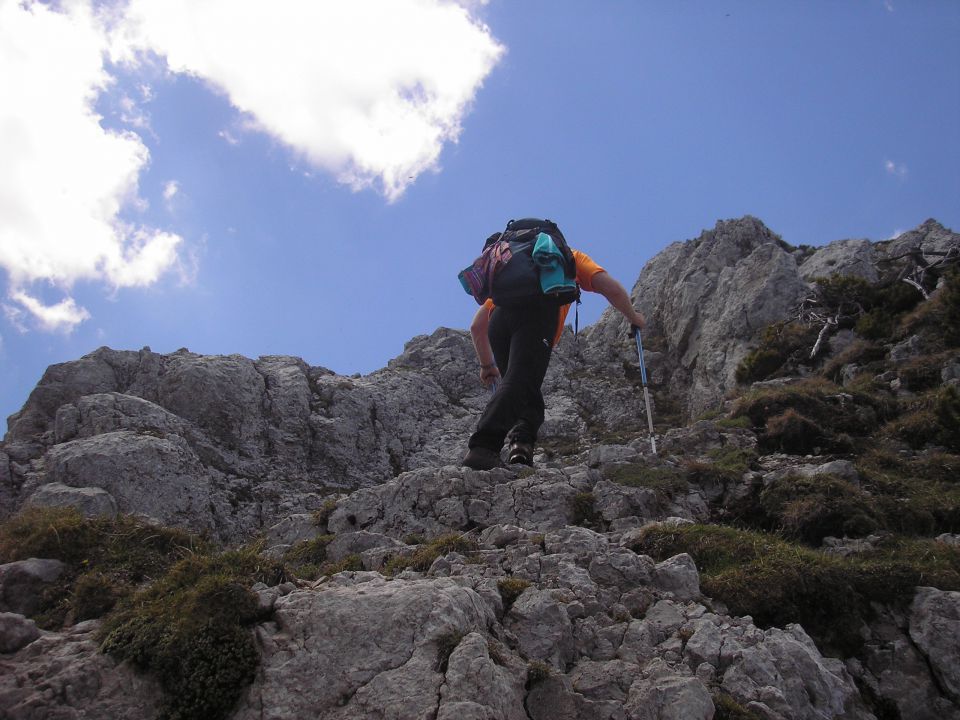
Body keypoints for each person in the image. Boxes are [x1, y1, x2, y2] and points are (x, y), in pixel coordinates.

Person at [462, 245, 646, 470]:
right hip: (536, 315)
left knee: (526, 390)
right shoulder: (568, 257)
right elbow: (609, 288)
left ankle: (521, 447)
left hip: (499, 320)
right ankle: (484, 447)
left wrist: (487, 365)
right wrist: (633, 316)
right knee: (520, 382)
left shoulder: (513, 273)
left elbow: (476, 326)